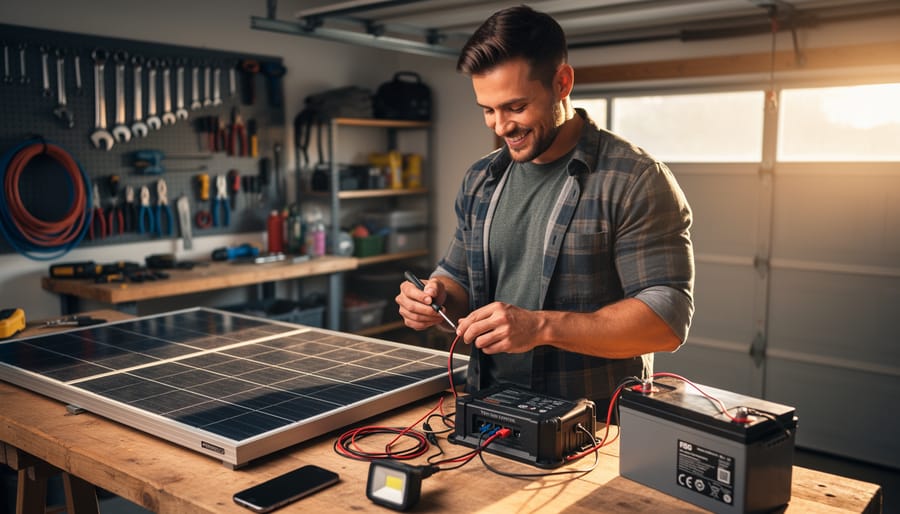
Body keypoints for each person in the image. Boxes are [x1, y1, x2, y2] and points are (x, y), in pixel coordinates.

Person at [396, 5, 694, 411]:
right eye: (488, 110)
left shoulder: (635, 179)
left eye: (516, 107)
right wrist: (436, 297)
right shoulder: (481, 178)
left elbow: (666, 321)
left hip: (593, 428)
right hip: (486, 405)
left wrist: (540, 327)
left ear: (562, 82)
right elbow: (458, 275)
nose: (501, 127)